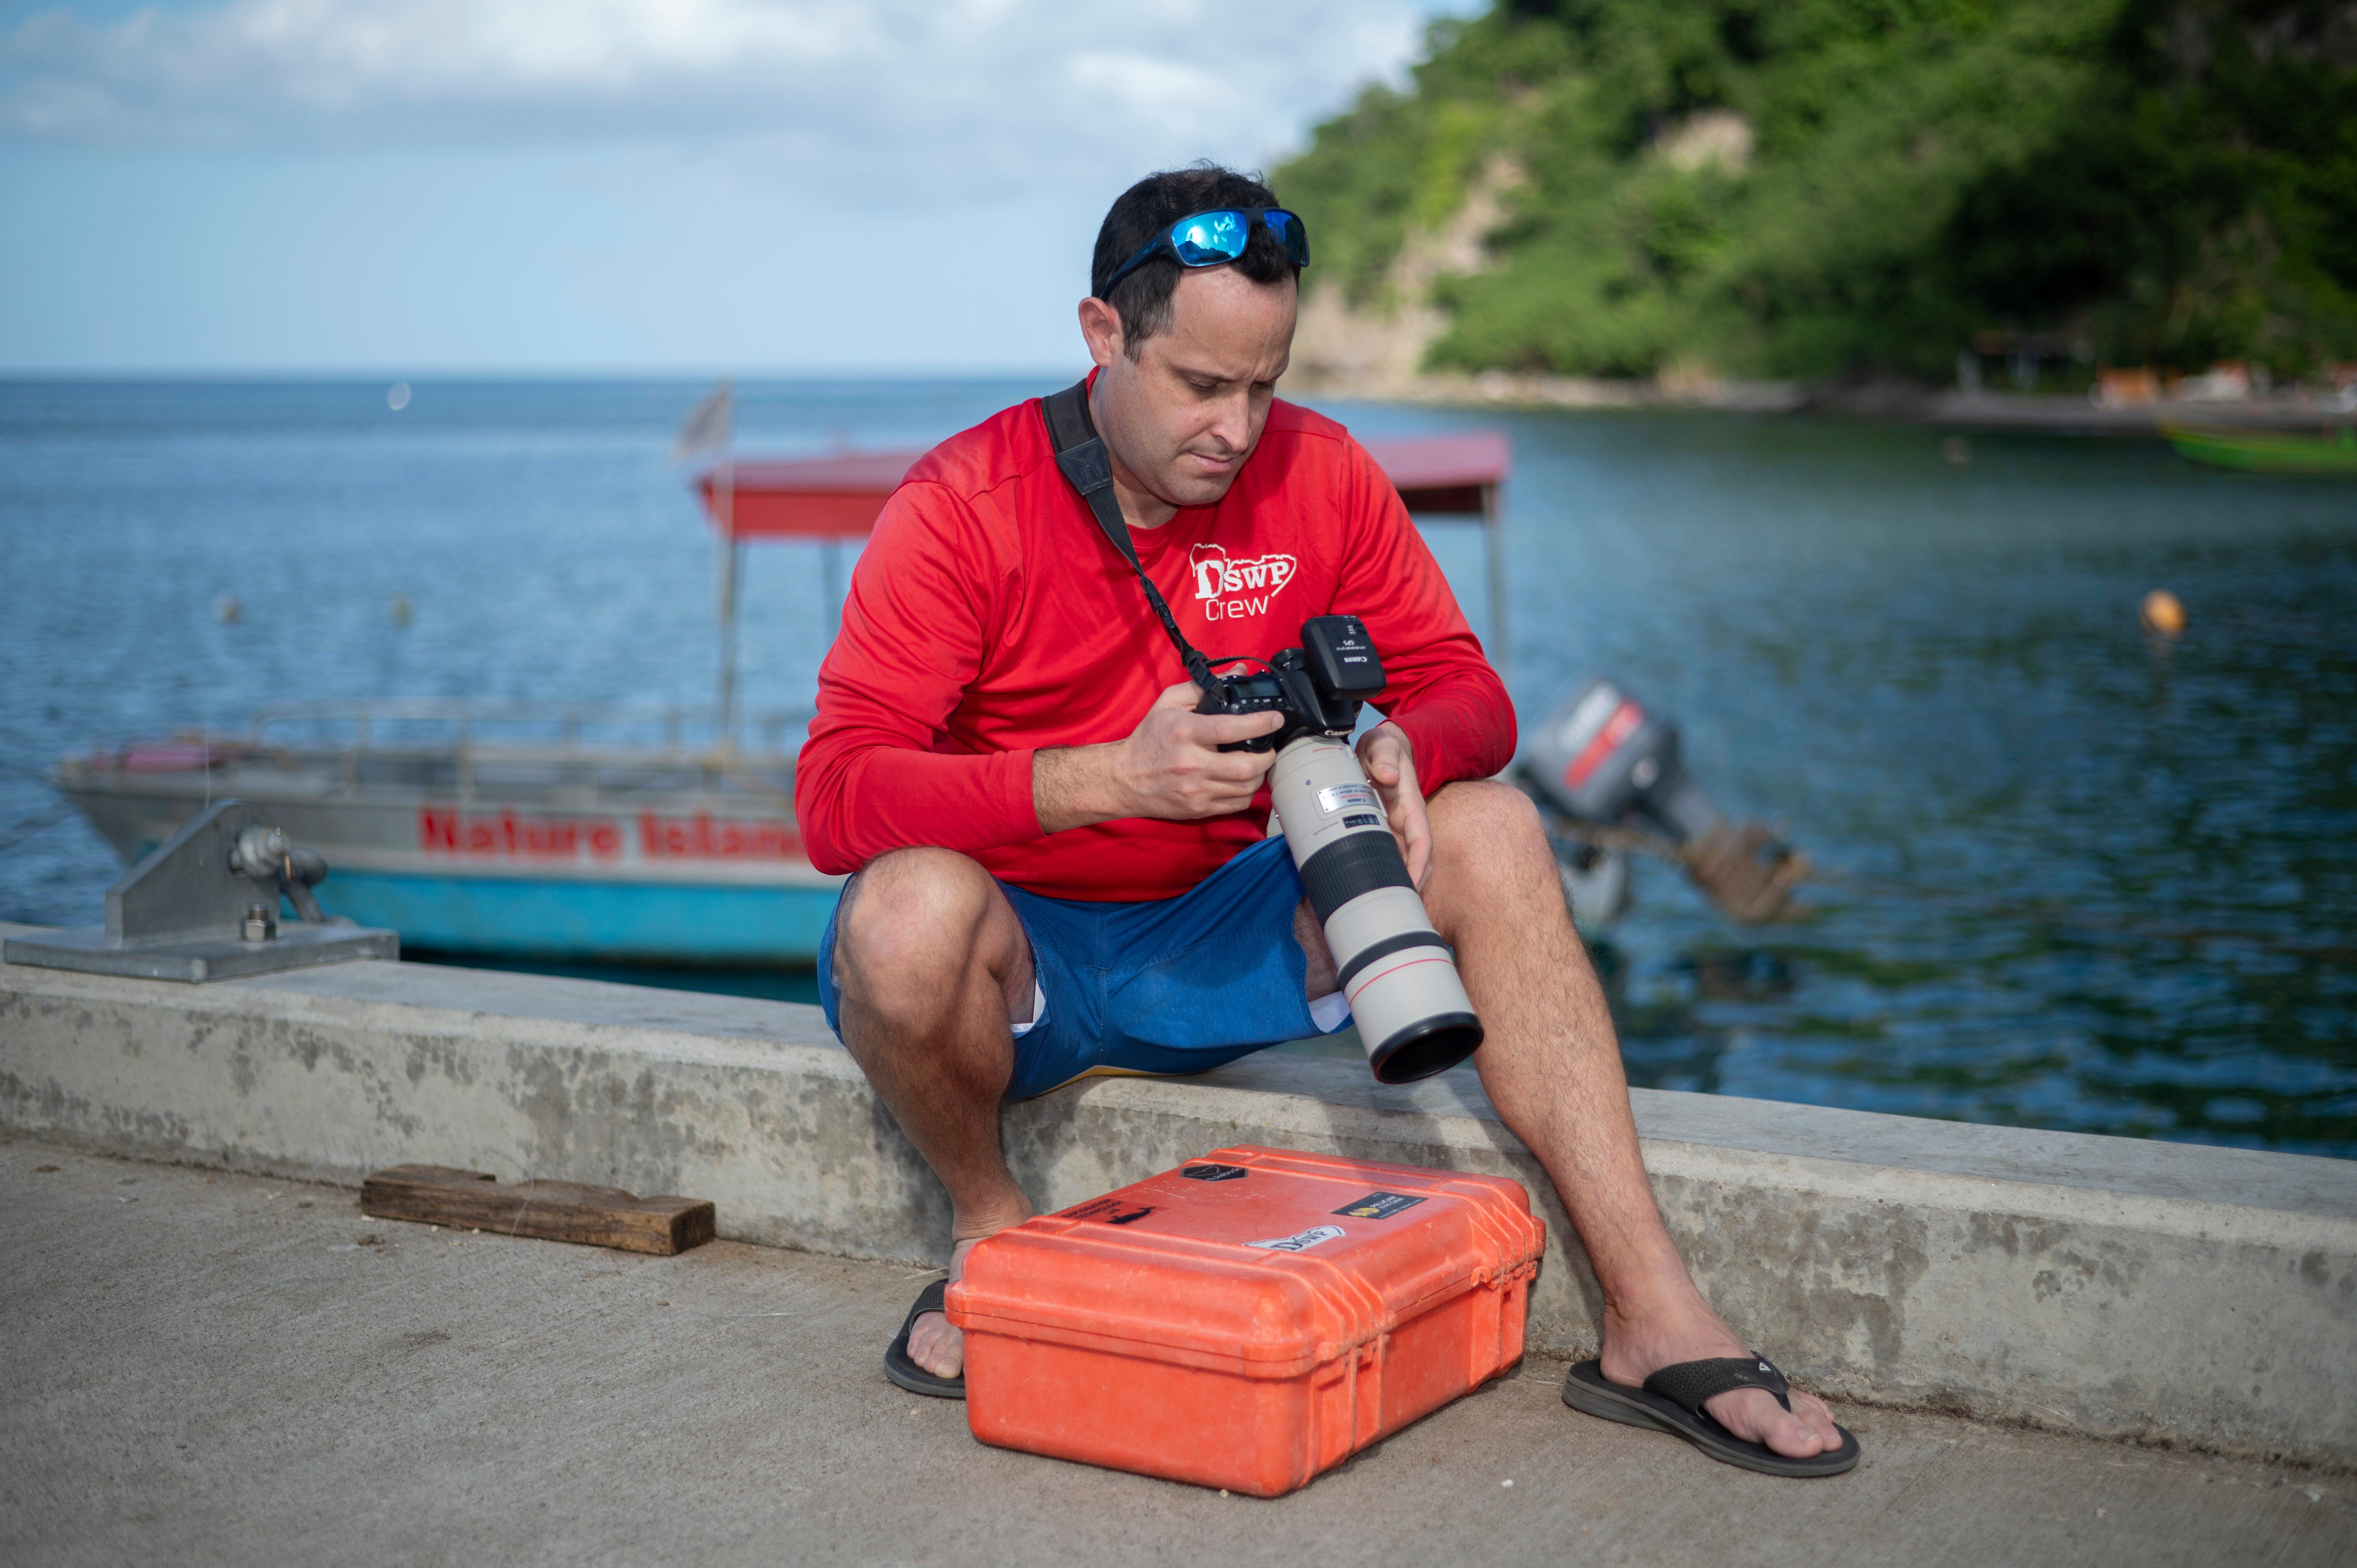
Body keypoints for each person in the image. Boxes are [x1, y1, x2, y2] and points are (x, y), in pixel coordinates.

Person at [794, 164, 1857, 1477]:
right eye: (1199, 386)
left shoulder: (1323, 472)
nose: (1237, 429)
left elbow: (1472, 688)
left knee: (1495, 826)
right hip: (1032, 956)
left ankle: (1654, 1315)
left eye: (1265, 384)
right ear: (1100, 335)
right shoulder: (965, 506)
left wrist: (1416, 743)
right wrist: (1103, 780)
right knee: (901, 915)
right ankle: (989, 1229)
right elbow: (834, 794)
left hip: (1241, 929)